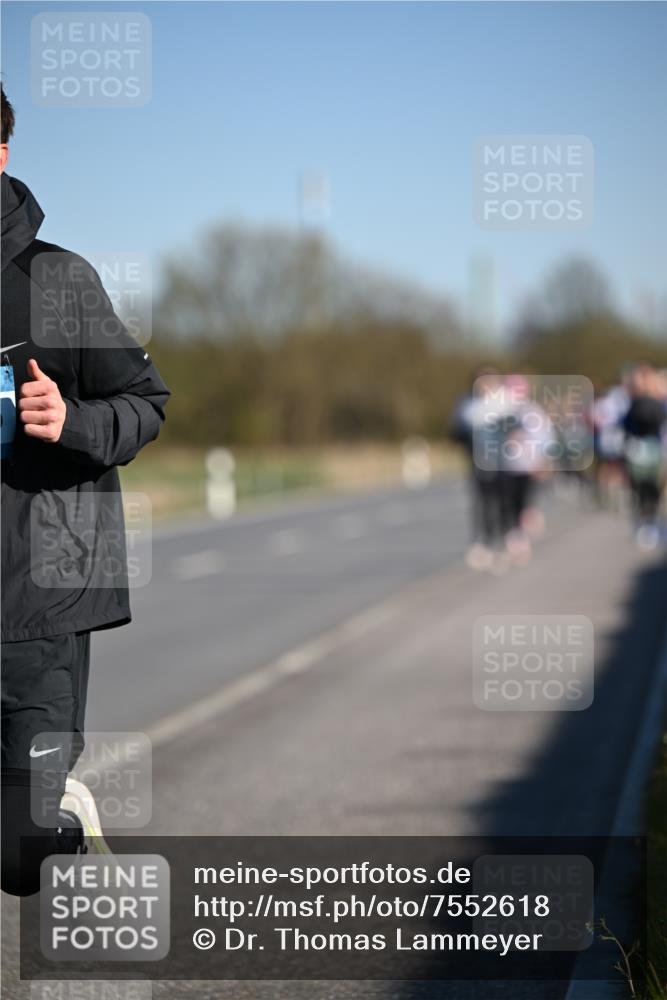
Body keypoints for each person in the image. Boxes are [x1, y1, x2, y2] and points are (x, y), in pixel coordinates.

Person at [1, 84, 170, 895]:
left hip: (38, 603)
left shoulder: (58, 281)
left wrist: (69, 420)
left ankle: (52, 815)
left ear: (1, 154)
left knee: (20, 854)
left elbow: (146, 405)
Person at [622, 363, 666, 549]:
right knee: (642, 489)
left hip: (654, 449)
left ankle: (652, 523)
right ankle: (647, 523)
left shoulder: (657, 402)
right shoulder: (635, 403)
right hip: (639, 450)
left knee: (654, 490)